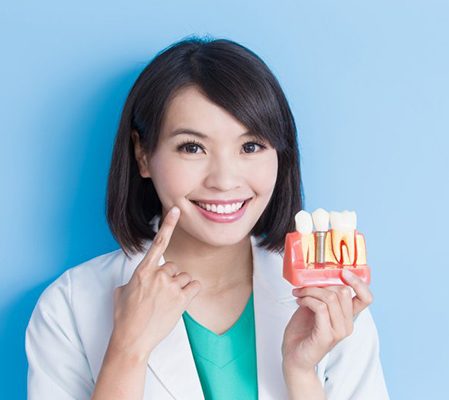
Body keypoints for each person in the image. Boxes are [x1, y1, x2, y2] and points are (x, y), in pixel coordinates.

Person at [25, 36, 390, 400]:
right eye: (192, 147)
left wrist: (301, 375)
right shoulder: (70, 306)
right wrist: (126, 351)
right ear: (142, 154)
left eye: (251, 146)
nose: (224, 180)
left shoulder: (332, 307)